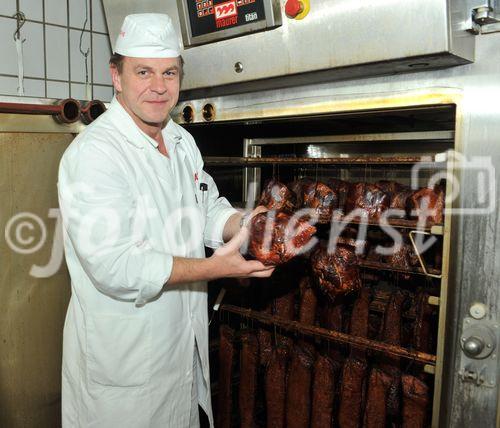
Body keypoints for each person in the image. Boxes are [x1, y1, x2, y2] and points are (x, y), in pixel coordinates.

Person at [58, 13, 273, 428]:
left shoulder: (180, 140)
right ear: (116, 76)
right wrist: (215, 269)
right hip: (124, 373)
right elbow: (116, 265)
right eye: (144, 72)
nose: (159, 86)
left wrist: (249, 223)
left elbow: (207, 209)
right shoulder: (95, 155)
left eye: (169, 72)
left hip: (179, 356)